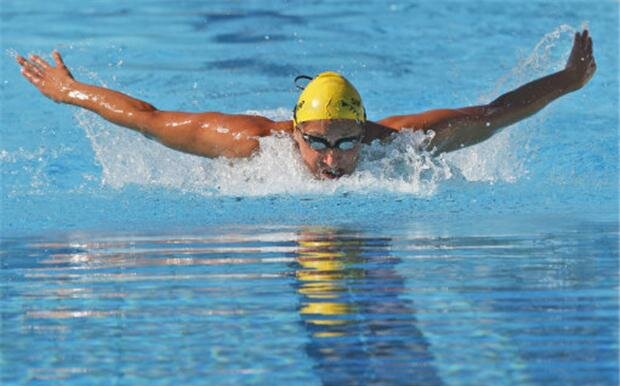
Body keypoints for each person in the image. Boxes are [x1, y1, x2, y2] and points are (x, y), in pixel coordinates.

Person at [16, 30, 595, 180]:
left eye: (346, 142)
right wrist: (70, 91)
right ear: (293, 131)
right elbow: (149, 118)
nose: (331, 159)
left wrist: (566, 82)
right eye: (316, 141)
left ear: (364, 131)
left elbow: (494, 114)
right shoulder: (252, 143)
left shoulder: (395, 146)